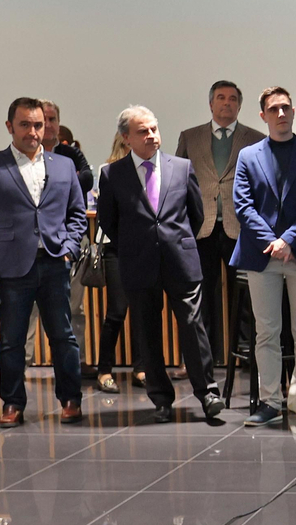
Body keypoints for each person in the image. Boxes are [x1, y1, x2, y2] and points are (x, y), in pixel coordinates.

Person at [95, 106, 224, 423]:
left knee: (193, 327)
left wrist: (176, 241)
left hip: (180, 259)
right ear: (126, 138)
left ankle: (208, 394)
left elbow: (196, 214)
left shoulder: (181, 167)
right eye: (143, 131)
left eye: (154, 128)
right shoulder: (112, 174)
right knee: (147, 332)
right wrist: (136, 244)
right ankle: (161, 399)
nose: (151, 135)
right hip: (139, 263)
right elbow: (109, 221)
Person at [0, 96, 87, 427]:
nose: (33, 132)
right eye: (25, 125)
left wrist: (69, 248)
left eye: (38, 125)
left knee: (63, 336)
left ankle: (71, 399)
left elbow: (77, 214)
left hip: (54, 262)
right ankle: (12, 403)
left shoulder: (63, 165)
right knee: (11, 341)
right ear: (10, 126)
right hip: (10, 267)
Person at [232, 86, 296, 428]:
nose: (280, 114)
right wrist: (273, 242)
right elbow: (243, 206)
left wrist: (288, 240)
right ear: (263, 115)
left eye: (285, 107)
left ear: (293, 111)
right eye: (273, 109)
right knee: (266, 332)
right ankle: (270, 402)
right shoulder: (248, 156)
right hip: (262, 255)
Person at [173, 80, 266, 362]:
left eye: (233, 99)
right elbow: (178, 183)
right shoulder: (190, 137)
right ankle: (201, 358)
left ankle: (248, 355)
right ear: (211, 103)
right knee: (200, 296)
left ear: (239, 105)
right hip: (201, 228)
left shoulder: (256, 138)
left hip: (241, 228)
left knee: (247, 296)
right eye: (221, 98)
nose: (227, 103)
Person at [40, 100, 96, 375]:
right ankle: (23, 365)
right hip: (37, 242)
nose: (48, 125)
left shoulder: (71, 153)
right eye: (43, 119)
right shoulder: (24, 158)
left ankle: (77, 363)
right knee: (30, 310)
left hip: (72, 241)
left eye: (52, 119)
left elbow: (86, 179)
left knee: (75, 307)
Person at [92, 132, 149, 394]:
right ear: (125, 140)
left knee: (141, 310)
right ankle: (104, 370)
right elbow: (106, 215)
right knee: (117, 311)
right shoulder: (109, 171)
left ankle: (141, 368)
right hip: (115, 247)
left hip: (143, 247)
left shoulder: (150, 168)